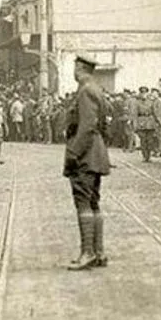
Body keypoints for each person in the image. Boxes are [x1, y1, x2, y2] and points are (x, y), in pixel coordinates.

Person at [63, 55, 112, 271]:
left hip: (85, 154)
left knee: (83, 201)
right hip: (95, 152)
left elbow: (87, 125)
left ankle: (88, 252)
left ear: (80, 68)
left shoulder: (85, 91)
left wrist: (74, 152)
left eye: (75, 67)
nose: (73, 71)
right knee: (93, 202)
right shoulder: (95, 89)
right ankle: (98, 252)